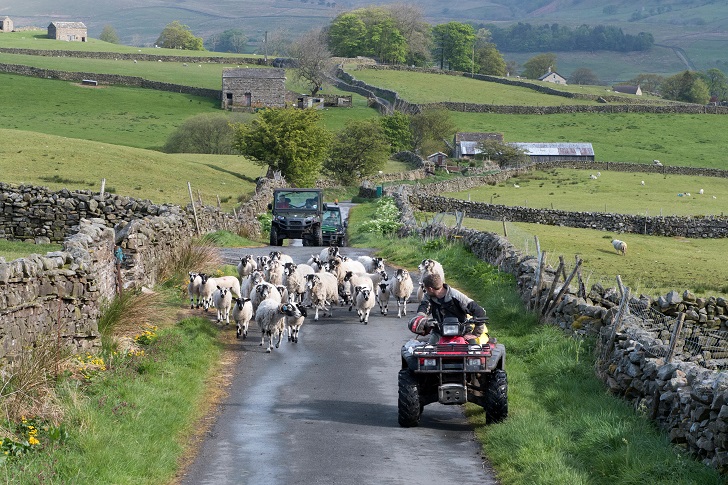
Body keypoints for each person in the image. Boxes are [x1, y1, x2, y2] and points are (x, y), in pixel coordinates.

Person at [408, 273, 488, 345]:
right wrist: (420, 319)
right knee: (428, 353)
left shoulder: (457, 296)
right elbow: (423, 308)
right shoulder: (428, 297)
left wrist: (475, 334)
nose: (424, 290)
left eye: (425, 287)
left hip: (462, 331)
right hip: (439, 331)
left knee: (475, 353)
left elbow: (479, 312)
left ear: (431, 289)